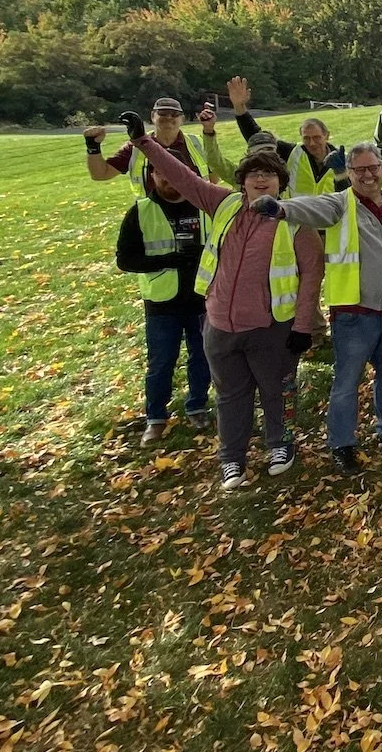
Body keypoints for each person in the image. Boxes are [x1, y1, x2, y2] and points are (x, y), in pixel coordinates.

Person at [122, 114, 325, 490]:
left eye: (269, 175)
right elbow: (184, 177)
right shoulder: (224, 205)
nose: (261, 180)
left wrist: (302, 327)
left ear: (281, 183)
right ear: (242, 181)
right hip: (219, 326)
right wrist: (143, 142)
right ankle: (232, 459)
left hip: (270, 327)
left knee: (277, 391)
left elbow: (312, 275)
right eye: (254, 174)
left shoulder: (294, 219)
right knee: (231, 396)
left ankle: (280, 445)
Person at [250, 141, 382, 476]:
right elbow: (310, 207)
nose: (368, 175)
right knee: (347, 381)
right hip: (355, 312)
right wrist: (279, 208)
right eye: (360, 169)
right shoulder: (340, 205)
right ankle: (342, 443)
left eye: (373, 168)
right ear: (349, 173)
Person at [113, 165, 213, 446]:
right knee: (161, 361)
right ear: (153, 177)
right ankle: (155, 417)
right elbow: (125, 260)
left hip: (202, 297)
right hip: (162, 302)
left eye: (174, 172)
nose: (169, 179)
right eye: (161, 173)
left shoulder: (204, 208)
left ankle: (197, 406)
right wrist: (167, 260)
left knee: (202, 356)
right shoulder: (141, 211)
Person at [226, 76, 350, 198]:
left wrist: (341, 173)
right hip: (293, 211)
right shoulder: (293, 153)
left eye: (316, 137)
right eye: (306, 138)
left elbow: (351, 196)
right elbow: (257, 138)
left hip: (329, 212)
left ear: (326, 135)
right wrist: (239, 107)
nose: (312, 143)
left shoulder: (342, 160)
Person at [85, 97, 229, 194]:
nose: (169, 117)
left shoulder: (198, 144)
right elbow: (100, 174)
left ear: (182, 119)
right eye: (163, 113)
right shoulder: (135, 147)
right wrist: (93, 146)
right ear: (153, 116)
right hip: (152, 218)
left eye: (174, 114)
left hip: (196, 215)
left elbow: (213, 179)